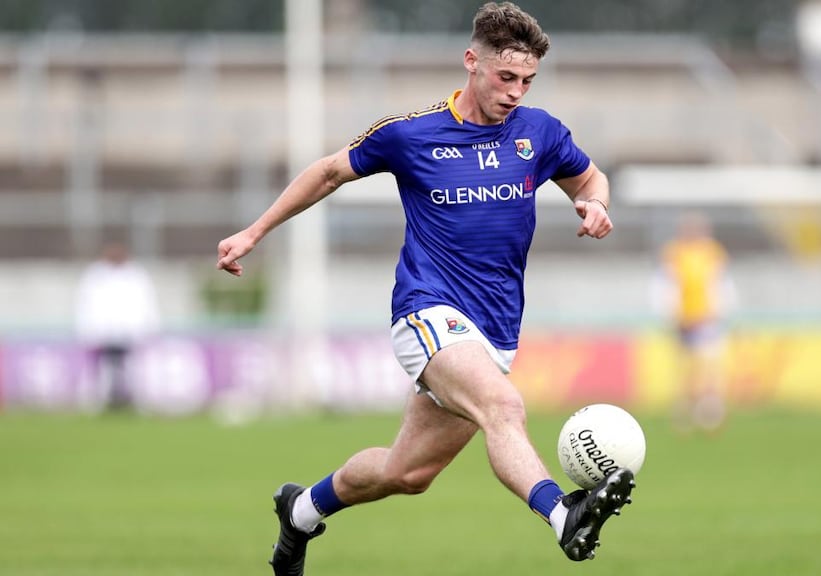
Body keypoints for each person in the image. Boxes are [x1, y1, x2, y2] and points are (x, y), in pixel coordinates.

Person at [215, 3, 634, 573]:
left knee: (406, 473)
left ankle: (301, 512)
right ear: (471, 61)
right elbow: (328, 171)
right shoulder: (410, 135)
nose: (516, 92)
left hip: (495, 331)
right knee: (503, 408)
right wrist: (253, 232)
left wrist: (596, 203)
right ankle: (564, 516)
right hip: (426, 312)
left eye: (527, 81)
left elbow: (589, 177)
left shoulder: (539, 133)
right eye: (505, 77)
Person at [659, 212, 734, 432]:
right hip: (684, 319)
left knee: (710, 367)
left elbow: (719, 283)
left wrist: (719, 311)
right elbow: (667, 285)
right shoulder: (675, 253)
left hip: (707, 318)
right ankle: (684, 415)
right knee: (686, 370)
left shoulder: (712, 252)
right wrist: (672, 314)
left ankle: (710, 414)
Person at [74, 241, 161, 411]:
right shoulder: (95, 275)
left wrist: (149, 328)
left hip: (129, 331)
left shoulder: (136, 275)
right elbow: (85, 304)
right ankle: (101, 403)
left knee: (130, 369)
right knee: (103, 370)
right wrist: (87, 330)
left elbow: (147, 303)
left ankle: (131, 401)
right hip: (103, 332)